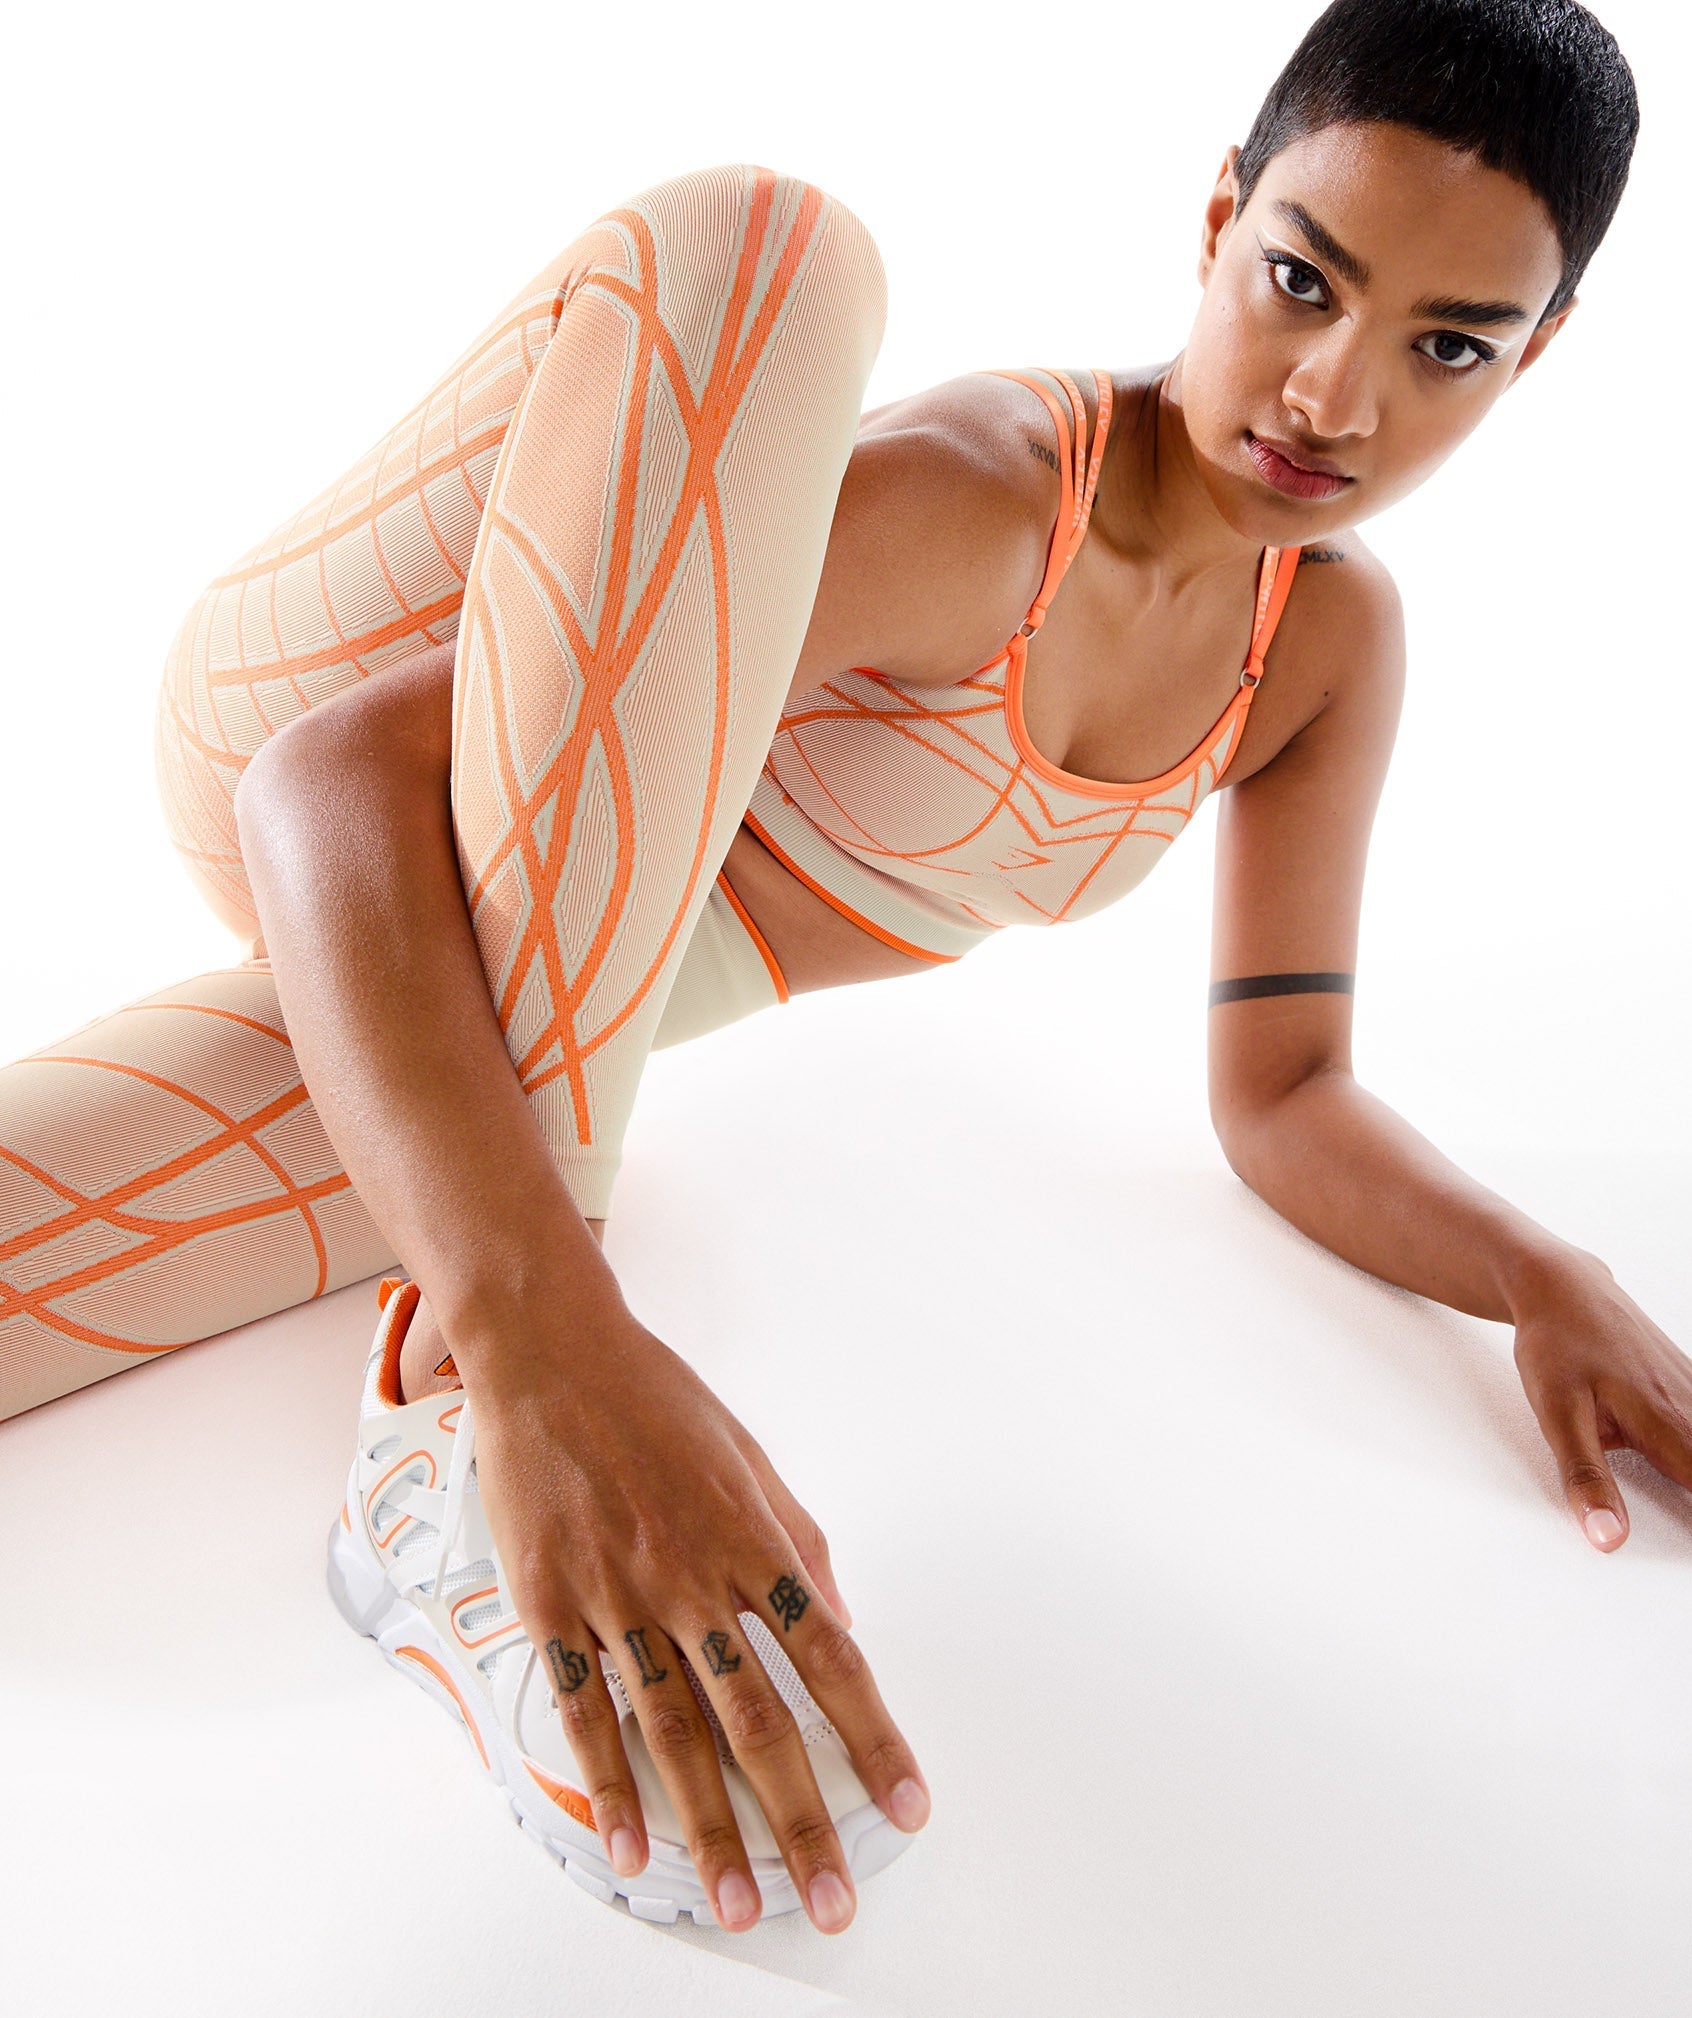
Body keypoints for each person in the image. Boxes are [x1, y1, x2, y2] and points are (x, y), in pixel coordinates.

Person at [0, 0, 1673, 1945]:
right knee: (773, 251)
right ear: (1219, 218)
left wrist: (1542, 1274)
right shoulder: (984, 504)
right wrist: (551, 1339)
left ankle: (488, 1358)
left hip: (491, 998)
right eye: (1303, 279)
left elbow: (1285, 1091)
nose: (1335, 395)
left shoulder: (1320, 650)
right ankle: (463, 1419)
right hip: (331, 773)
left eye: (1448, 347)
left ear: (1536, 356)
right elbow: (324, 776)